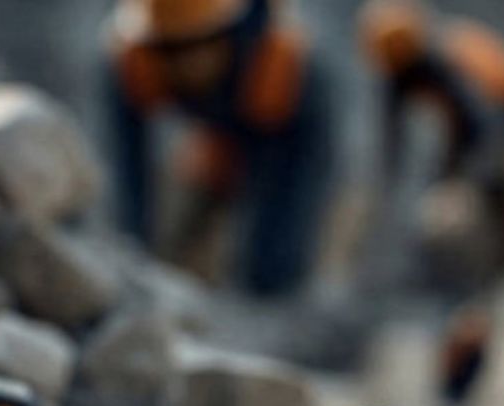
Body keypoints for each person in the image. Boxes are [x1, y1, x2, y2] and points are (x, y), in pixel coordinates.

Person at [103, 0, 334, 295]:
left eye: (199, 47)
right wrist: (132, 246)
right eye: (173, 51)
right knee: (181, 235)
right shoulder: (133, 57)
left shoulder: (281, 59)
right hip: (215, 136)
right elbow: (128, 168)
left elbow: (295, 171)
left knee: (275, 256)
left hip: (282, 131)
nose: (189, 65)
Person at [358, 0, 504, 265]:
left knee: (495, 181)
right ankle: (500, 255)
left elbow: (482, 118)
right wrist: (387, 183)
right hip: (473, 120)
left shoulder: (441, 61)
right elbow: (394, 133)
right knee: (461, 177)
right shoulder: (401, 70)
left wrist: (479, 163)